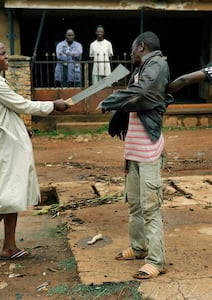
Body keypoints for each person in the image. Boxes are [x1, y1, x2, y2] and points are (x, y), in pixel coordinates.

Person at [0, 39, 69, 273]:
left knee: (10, 195)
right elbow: (22, 105)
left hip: (3, 144)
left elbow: (4, 110)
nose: (6, 57)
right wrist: (53, 104)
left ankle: (9, 247)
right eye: (2, 54)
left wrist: (21, 126)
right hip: (3, 148)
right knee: (7, 198)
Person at [99, 31, 172, 279]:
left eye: (132, 49)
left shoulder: (157, 65)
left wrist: (111, 100)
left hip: (149, 153)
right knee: (135, 205)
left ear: (141, 47)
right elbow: (132, 113)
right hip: (134, 153)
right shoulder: (139, 72)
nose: (130, 54)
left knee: (150, 208)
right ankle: (139, 248)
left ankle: (156, 260)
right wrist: (127, 157)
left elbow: (143, 94)